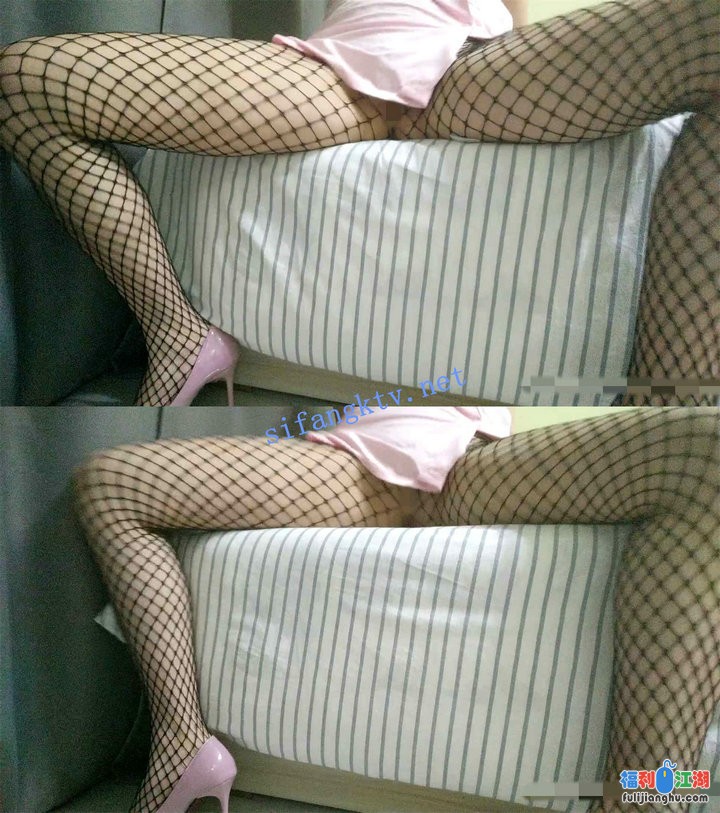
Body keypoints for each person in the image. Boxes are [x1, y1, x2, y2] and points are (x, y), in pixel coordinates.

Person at [0, 0, 717, 405]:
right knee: (28, 82)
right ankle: (175, 330)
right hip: (369, 73)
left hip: (466, 70)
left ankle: (668, 426)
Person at [73, 406, 719, 813]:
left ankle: (646, 796)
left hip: (470, 455)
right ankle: (181, 740)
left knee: (707, 448)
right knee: (109, 482)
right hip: (385, 450)